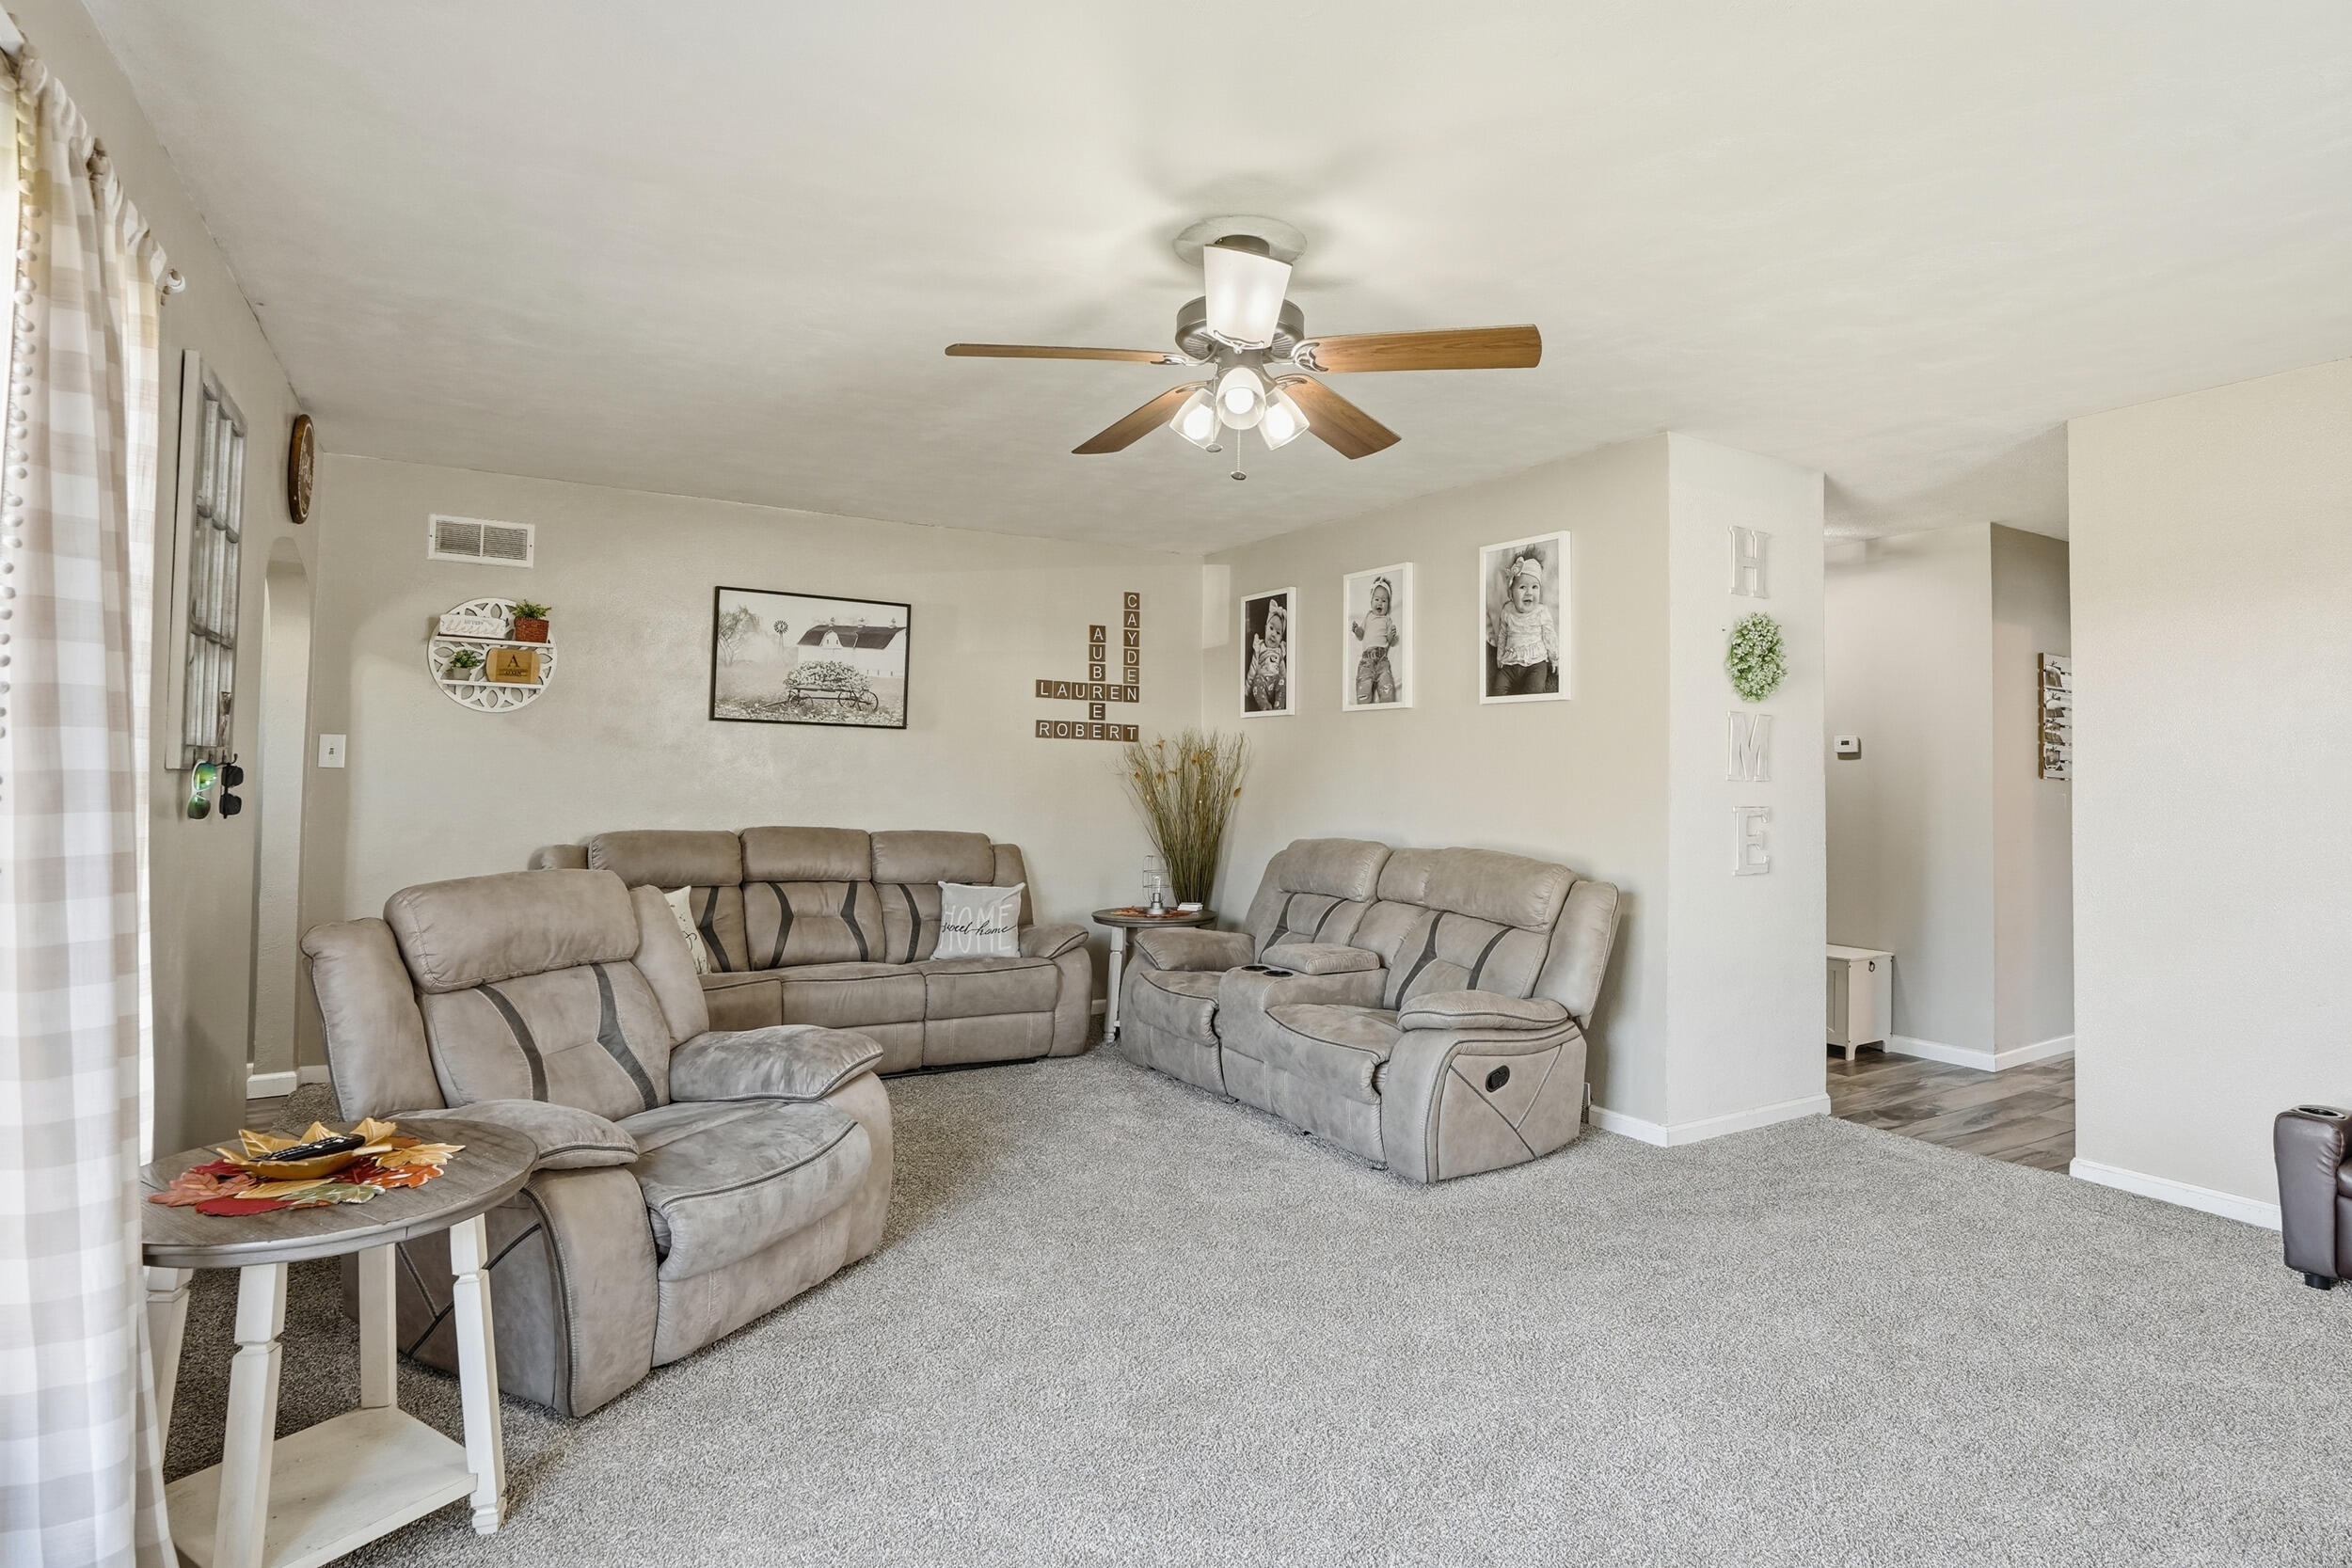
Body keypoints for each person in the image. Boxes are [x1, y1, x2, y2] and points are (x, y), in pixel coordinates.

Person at [1486, 552, 1558, 696]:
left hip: (1536, 663)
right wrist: (1500, 657)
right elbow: (1503, 635)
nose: (1529, 593)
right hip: (1510, 664)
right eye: (1522, 587)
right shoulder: (1507, 610)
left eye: (1534, 587)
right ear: (1511, 594)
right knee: (1498, 689)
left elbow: (1549, 636)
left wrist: (1554, 658)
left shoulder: (1541, 612)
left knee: (1534, 690)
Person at [1350, 577, 1401, 705]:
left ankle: (1387, 705)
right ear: (1371, 601)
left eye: (1384, 601)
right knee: (1364, 683)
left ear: (1388, 604)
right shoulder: (1368, 616)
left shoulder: (1387, 619)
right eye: (1377, 599)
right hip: (1367, 660)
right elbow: (1361, 635)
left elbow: (1390, 641)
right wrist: (1357, 630)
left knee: (1386, 685)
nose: (1380, 603)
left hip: (1382, 659)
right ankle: (1363, 706)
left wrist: (1391, 634)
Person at [1247, 598, 1289, 711]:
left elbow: (1283, 670)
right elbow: (1253, 666)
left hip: (1275, 681)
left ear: (1281, 639)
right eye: (1271, 628)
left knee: (1282, 681)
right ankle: (1264, 704)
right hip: (1262, 683)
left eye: (1278, 633)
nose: (1273, 635)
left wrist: (1285, 683)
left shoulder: (1280, 651)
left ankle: (1278, 706)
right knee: (1257, 679)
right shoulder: (1260, 647)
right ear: (1265, 629)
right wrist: (1247, 687)